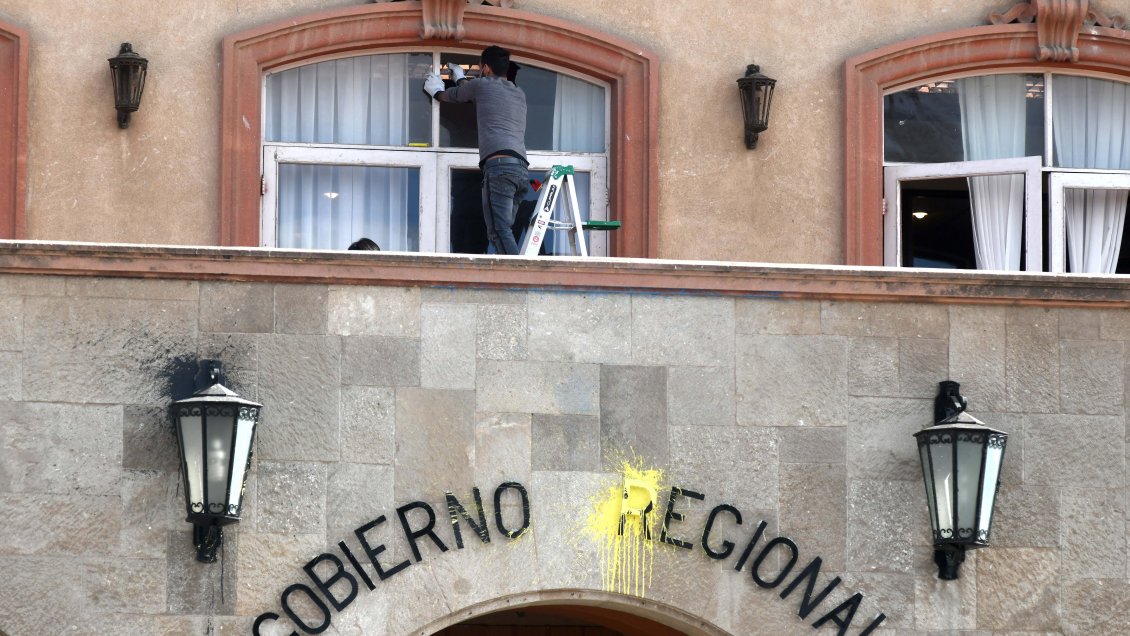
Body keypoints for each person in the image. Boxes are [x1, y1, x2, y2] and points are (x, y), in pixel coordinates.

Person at [424, 46, 528, 255]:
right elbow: (476, 90)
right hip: (520, 171)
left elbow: (452, 96)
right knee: (506, 229)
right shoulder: (518, 92)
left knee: (498, 231)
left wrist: (436, 91)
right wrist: (462, 78)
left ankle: (517, 270)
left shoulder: (481, 85)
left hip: (499, 169)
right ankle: (513, 266)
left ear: (486, 68)